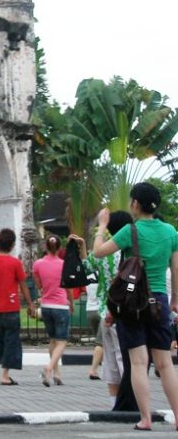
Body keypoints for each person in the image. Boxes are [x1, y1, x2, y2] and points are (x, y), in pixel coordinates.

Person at [92, 182, 178, 431]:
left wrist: (102, 226)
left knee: (139, 362)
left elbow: (98, 252)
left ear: (135, 204)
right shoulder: (171, 232)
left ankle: (145, 419)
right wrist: (174, 300)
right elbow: (175, 268)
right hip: (159, 300)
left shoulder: (130, 231)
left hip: (132, 302)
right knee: (165, 363)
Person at [73, 210, 133, 408]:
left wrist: (84, 248)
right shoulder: (128, 251)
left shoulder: (104, 253)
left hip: (103, 310)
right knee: (125, 358)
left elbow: (87, 267)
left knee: (110, 360)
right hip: (123, 311)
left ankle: (114, 403)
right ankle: (129, 401)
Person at [0, 228, 35, 386]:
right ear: (12, 245)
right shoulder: (15, 263)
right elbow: (23, 286)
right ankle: (5, 375)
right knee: (11, 340)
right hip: (11, 308)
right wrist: (30, 304)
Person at [33, 235, 73, 387]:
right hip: (60, 306)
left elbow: (38, 284)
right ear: (59, 248)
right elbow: (68, 287)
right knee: (62, 342)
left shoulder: (38, 264)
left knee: (52, 340)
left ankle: (57, 374)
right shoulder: (64, 264)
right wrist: (72, 303)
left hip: (46, 306)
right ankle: (49, 368)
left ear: (46, 247)